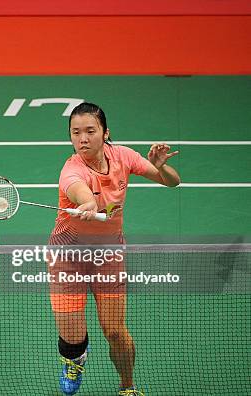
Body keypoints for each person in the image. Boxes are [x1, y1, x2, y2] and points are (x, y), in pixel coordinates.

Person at [49, 102, 180, 395]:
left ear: (105, 133)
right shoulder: (70, 171)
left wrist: (160, 167)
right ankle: (76, 359)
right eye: (75, 132)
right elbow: (80, 190)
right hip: (67, 257)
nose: (82, 139)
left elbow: (172, 181)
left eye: (90, 131)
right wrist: (87, 202)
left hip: (107, 255)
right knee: (71, 336)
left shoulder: (122, 156)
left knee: (116, 332)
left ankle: (127, 386)